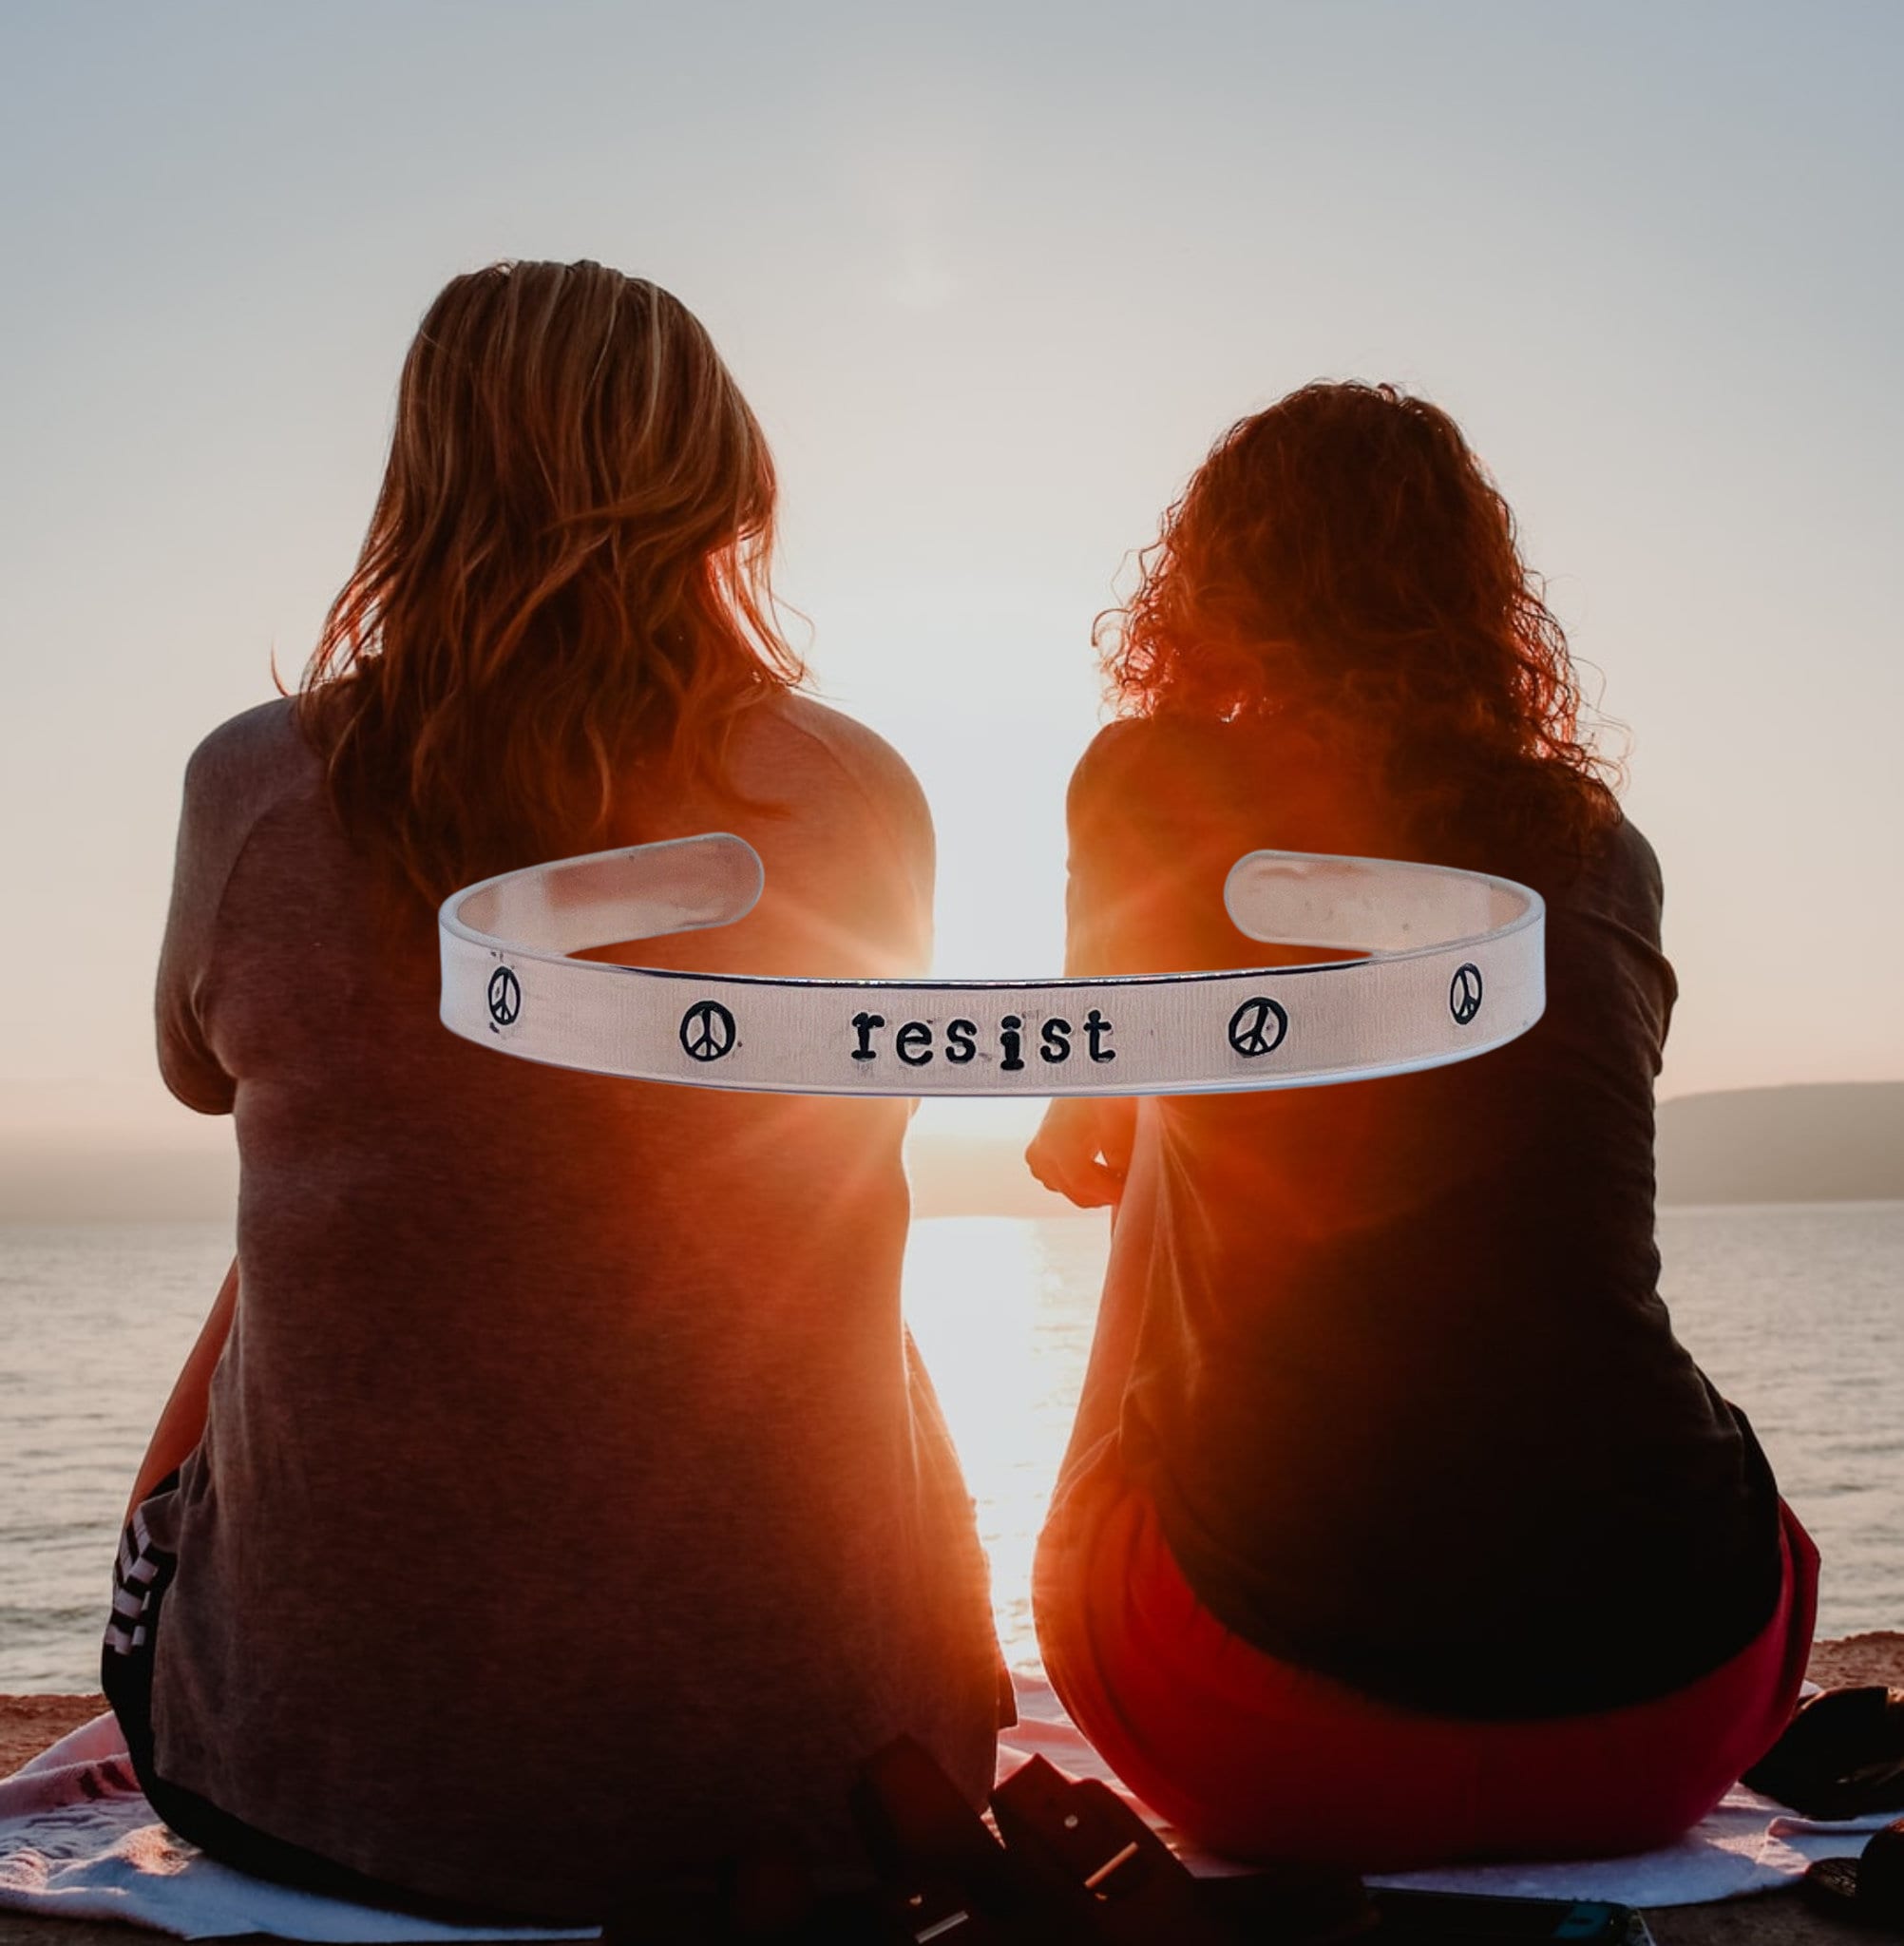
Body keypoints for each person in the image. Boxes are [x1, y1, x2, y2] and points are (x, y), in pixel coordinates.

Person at [105, 260, 1003, 1923]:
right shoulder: (859, 791)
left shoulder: (256, 785)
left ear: (419, 482)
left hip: (321, 1794)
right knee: (806, 1220)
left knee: (320, 1211)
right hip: (825, 1784)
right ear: (726, 476)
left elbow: (194, 1069)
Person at [1026, 382, 1817, 1870]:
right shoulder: (1600, 848)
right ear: (1475, 600)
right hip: (1677, 1710)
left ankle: (1185, 1535)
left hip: (1266, 1728)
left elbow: (1088, 1135)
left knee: (1162, 1126)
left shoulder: (1152, 782)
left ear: (1209, 587)